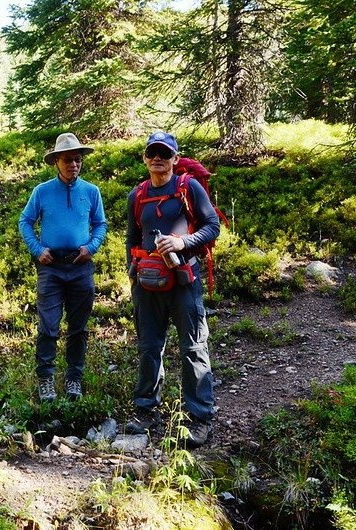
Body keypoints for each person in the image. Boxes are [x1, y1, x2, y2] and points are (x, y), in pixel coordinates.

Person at [124, 131, 219, 448]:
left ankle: (200, 417)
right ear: (145, 158)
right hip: (146, 283)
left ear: (175, 159)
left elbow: (211, 226)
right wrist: (131, 271)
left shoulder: (188, 188)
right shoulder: (137, 195)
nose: (158, 158)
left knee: (193, 347)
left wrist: (182, 242)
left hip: (183, 280)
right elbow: (132, 238)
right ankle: (146, 410)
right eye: (152, 153)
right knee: (149, 347)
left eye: (165, 153)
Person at [19, 133, 108, 402]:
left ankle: (74, 380)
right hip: (51, 267)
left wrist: (91, 247)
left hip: (81, 266)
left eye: (78, 160)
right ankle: (45, 380)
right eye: (68, 160)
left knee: (78, 327)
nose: (74, 165)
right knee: (48, 326)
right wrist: (37, 249)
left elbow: (100, 224)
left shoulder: (91, 191)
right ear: (56, 161)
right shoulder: (42, 191)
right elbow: (25, 221)